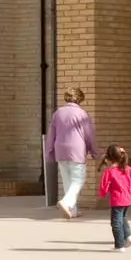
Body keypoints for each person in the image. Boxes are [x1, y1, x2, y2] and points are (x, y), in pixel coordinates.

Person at [45, 88, 96, 220]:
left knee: (67, 180)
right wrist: (95, 152)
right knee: (78, 179)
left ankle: (72, 209)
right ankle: (66, 202)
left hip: (60, 150)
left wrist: (49, 152)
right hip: (76, 150)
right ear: (79, 99)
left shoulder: (57, 114)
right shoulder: (82, 114)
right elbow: (89, 135)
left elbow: (51, 135)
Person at [97, 144, 131, 250]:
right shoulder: (129, 170)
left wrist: (102, 194)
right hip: (128, 200)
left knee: (116, 223)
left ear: (109, 158)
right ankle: (129, 235)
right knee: (122, 218)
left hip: (117, 201)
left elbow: (104, 186)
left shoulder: (109, 172)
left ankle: (119, 246)